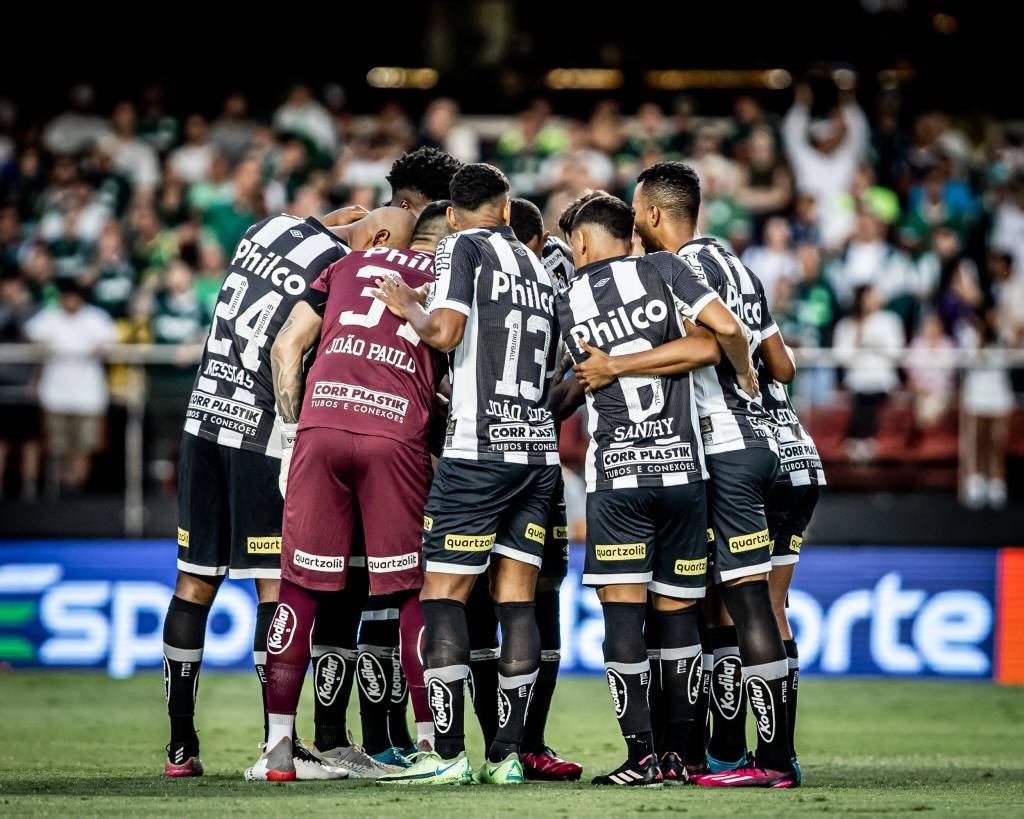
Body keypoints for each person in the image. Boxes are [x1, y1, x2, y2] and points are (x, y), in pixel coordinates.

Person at [160, 204, 400, 779]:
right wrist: (293, 437)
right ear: (384, 236)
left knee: (193, 583)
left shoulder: (268, 226)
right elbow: (287, 349)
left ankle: (179, 747)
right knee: (279, 585)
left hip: (202, 422)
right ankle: (279, 746)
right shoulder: (345, 268)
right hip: (260, 435)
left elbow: (336, 216)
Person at [593, 161, 797, 787]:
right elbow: (783, 367)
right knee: (753, 606)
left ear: (653, 215)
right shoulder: (739, 264)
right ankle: (730, 753)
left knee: (744, 603)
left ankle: (767, 762)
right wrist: (750, 368)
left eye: (635, 211)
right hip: (790, 448)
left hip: (728, 446)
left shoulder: (683, 270)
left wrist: (619, 365)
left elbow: (717, 340)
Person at [246, 205, 449, 781]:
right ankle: (432, 751)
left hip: (320, 427)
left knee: (299, 589)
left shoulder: (345, 263)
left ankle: (280, 750)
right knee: (412, 592)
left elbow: (288, 348)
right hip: (394, 433)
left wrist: (292, 435)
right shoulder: (446, 279)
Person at [374, 163, 560, 785]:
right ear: (508, 211)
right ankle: (507, 754)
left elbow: (447, 330)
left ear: (452, 214)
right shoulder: (539, 266)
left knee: (443, 595)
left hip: (478, 447)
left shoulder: (460, 244)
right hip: (536, 453)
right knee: (516, 598)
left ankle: (447, 754)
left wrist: (408, 307)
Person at [555, 195, 722, 786]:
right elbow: (712, 343)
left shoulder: (565, 297)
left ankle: (642, 758)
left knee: (624, 622)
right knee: (679, 622)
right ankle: (682, 758)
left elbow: (572, 383)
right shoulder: (665, 268)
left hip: (618, 480)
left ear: (579, 243)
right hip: (683, 473)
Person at [759, 351, 826, 782]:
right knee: (774, 606)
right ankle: (786, 751)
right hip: (802, 456)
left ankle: (728, 752)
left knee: (731, 610)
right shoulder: (753, 310)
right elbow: (786, 365)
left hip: (761, 461)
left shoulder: (701, 320)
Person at [24, 277, 115, 496]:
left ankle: (77, 489)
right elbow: (32, 336)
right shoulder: (50, 317)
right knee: (58, 447)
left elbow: (108, 345)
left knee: (83, 447)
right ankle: (60, 490)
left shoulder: (96, 318)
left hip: (88, 395)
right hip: (56, 394)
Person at [833, 284, 906, 461]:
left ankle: (858, 439)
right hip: (856, 378)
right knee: (862, 392)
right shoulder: (847, 324)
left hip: (883, 377)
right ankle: (863, 440)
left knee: (870, 393)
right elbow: (840, 356)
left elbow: (897, 351)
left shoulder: (890, 320)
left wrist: (875, 344)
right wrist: (857, 339)